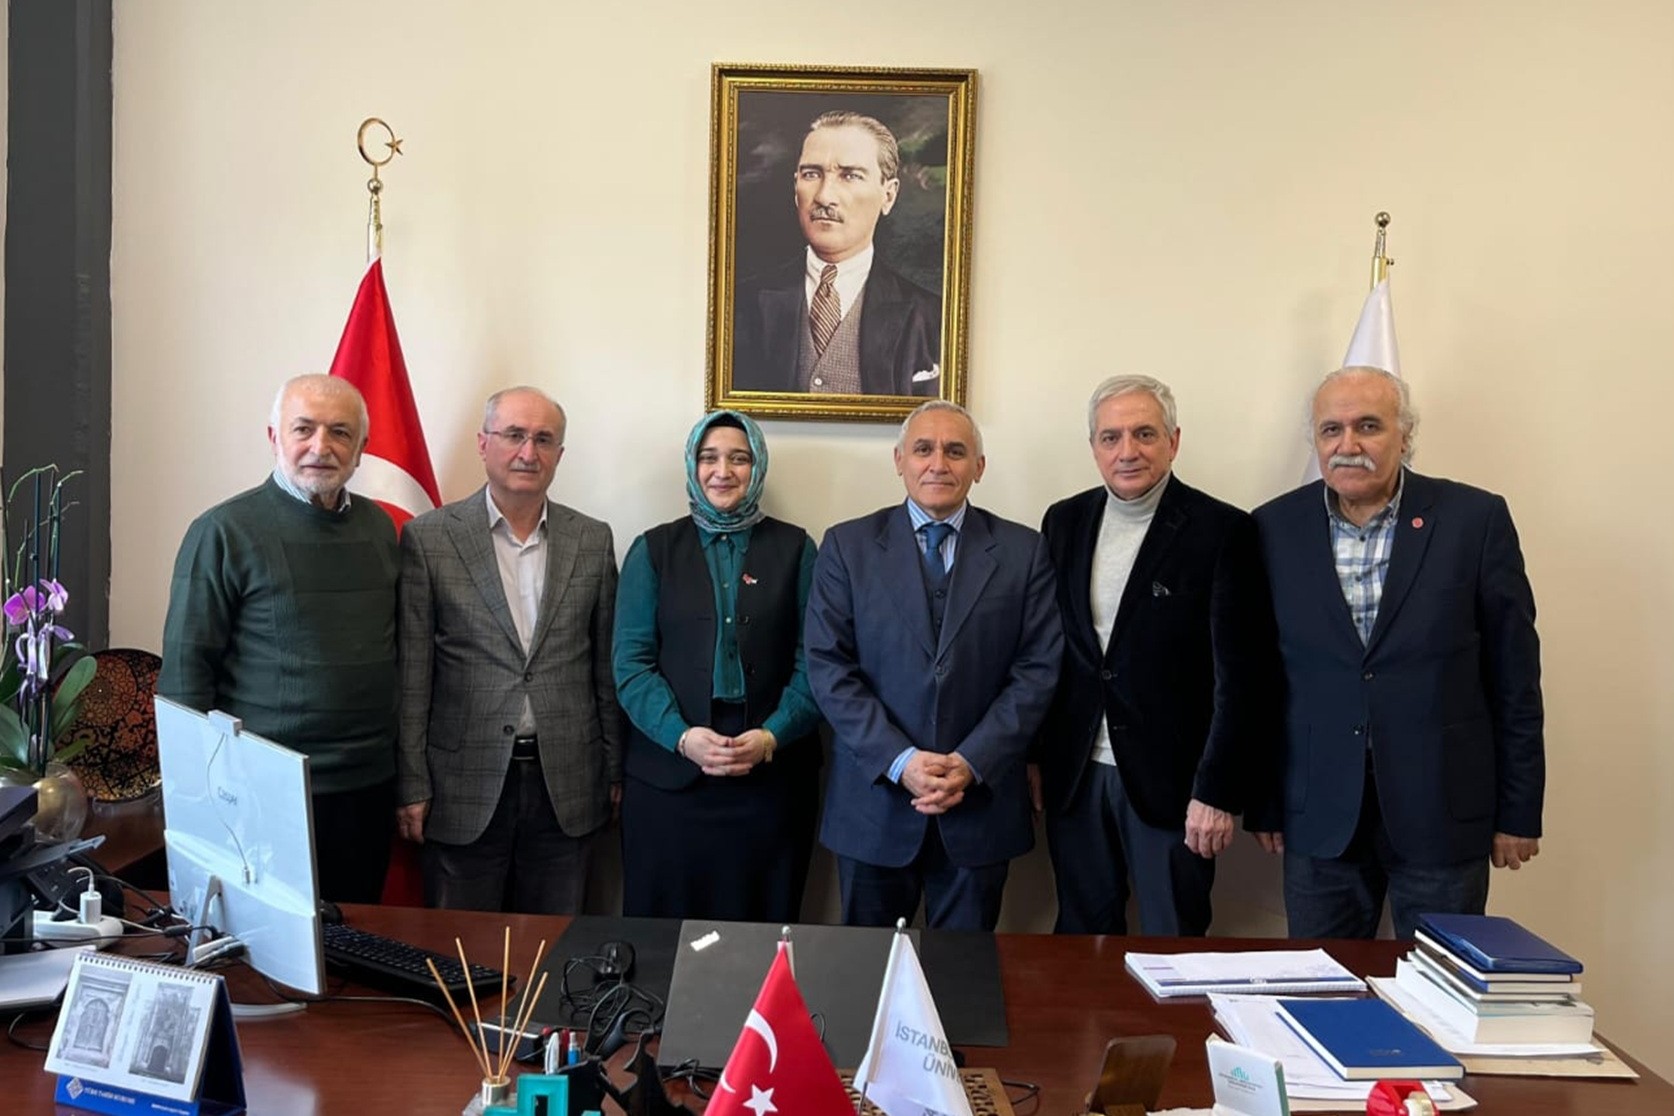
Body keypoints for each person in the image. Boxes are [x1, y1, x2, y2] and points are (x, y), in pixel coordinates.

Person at [1251, 366, 1545, 940]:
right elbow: (1261, 678)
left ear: (1405, 434)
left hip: (1443, 812)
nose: (1348, 444)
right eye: (1331, 429)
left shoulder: (1474, 520)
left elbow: (1515, 678)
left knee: (1440, 984)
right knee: (1323, 983)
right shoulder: (1274, 527)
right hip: (1319, 814)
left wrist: (1518, 809)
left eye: (1368, 426)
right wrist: (1263, 801)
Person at [1035, 375, 1280, 936]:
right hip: (1077, 776)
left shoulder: (1224, 530)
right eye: (1111, 437)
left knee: (1174, 943)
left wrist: (1216, 792)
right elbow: (1048, 650)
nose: (1128, 451)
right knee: (1079, 939)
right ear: (1094, 447)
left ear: (1173, 440)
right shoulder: (1064, 521)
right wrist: (1034, 754)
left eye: (1144, 434)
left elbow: (1242, 678)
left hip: (1174, 785)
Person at [805, 400, 1062, 931]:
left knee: (963, 972)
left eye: (955, 451)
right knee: (869, 969)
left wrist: (971, 761)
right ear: (899, 460)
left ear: (979, 467)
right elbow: (829, 666)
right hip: (874, 808)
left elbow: (1037, 670)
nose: (938, 463)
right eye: (923, 449)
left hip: (979, 806)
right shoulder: (847, 546)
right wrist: (901, 761)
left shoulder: (1024, 551)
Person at [158, 373, 399, 904]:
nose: (321, 446)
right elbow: (185, 675)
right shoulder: (223, 531)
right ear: (274, 437)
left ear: (362, 448)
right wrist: (197, 801)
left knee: (360, 936)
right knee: (267, 943)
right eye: (303, 429)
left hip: (367, 788)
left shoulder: (381, 529)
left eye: (340, 432)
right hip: (263, 792)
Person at [395, 386, 622, 914]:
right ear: (483, 444)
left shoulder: (592, 540)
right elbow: (413, 675)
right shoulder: (430, 539)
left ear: (559, 454)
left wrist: (614, 771)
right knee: (461, 949)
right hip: (461, 784)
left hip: (567, 782)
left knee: (554, 944)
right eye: (514, 435)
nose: (528, 452)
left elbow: (604, 669)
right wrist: (411, 783)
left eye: (544, 439)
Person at [612, 411, 823, 921]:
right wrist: (682, 737)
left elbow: (816, 661)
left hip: (771, 776)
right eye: (709, 458)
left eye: (738, 458)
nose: (722, 471)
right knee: (664, 934)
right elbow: (631, 664)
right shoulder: (653, 549)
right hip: (669, 778)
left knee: (761, 929)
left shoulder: (798, 549)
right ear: (692, 465)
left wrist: (772, 736)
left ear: (758, 466)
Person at [732, 110, 941, 397]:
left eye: (850, 175)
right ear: (795, 187)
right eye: (811, 174)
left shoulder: (931, 316)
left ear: (888, 195)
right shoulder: (742, 305)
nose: (824, 196)